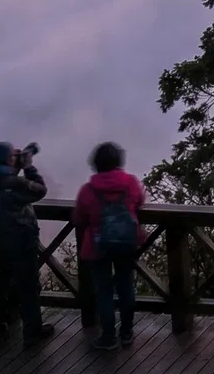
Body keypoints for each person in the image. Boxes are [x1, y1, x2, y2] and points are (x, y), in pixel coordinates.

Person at [0, 142, 52, 350]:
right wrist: (28, 166)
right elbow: (40, 190)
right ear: (9, 160)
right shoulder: (15, 183)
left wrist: (14, 166)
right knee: (28, 288)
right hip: (21, 243)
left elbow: (0, 184)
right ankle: (32, 334)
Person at [72, 142, 145, 350]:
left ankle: (108, 337)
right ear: (119, 161)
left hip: (98, 246)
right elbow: (139, 201)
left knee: (103, 292)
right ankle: (127, 333)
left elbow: (78, 218)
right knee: (126, 286)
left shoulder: (87, 190)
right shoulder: (130, 183)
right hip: (126, 243)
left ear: (96, 164)